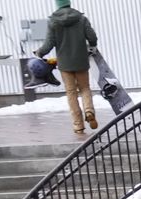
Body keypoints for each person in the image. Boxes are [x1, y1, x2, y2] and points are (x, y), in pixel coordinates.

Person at [35, 0, 99, 138]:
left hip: (65, 64)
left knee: (71, 93)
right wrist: (92, 45)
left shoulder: (53, 21)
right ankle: (89, 111)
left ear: (57, 5)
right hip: (81, 60)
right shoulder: (81, 19)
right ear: (69, 3)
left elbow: (49, 44)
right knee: (85, 88)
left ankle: (78, 125)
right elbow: (92, 36)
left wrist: (40, 53)